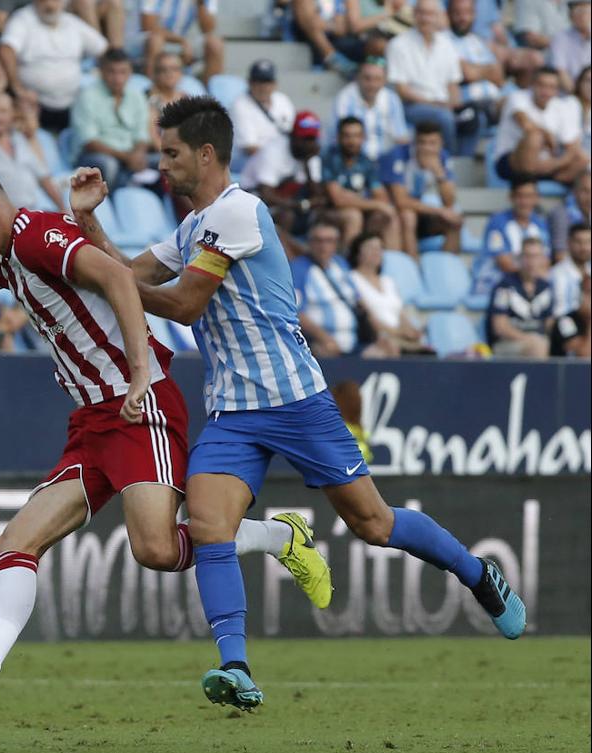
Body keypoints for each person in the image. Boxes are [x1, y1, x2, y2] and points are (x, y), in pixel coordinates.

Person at [69, 95, 525, 711]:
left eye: (171, 152)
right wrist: (90, 224)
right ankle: (235, 667)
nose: (162, 163)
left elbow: (180, 304)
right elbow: (127, 272)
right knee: (207, 527)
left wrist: (120, 276)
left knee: (373, 524)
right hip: (233, 409)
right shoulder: (191, 227)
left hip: (295, 400)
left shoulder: (239, 214)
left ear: (206, 154)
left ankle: (479, 575)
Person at [0, 162, 329, 710]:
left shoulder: (36, 235)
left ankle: (279, 537)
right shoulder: (6, 255)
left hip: (136, 408)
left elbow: (118, 277)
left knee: (155, 547)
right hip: (91, 423)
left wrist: (140, 373)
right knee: (12, 544)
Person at [290, 218, 400, 358]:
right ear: (309, 242)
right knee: (324, 350)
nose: (323, 246)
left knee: (389, 350)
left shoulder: (341, 265)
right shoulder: (298, 269)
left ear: (336, 243)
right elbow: (297, 312)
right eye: (318, 240)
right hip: (320, 342)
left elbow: (359, 302)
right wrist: (324, 338)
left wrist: (380, 335)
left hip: (353, 342)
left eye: (329, 241)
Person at [0, 0, 106, 133]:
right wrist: (17, 88)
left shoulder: (71, 22)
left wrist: (103, 75)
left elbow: (104, 50)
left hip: (72, 103)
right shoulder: (23, 19)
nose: (50, 5)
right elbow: (7, 49)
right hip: (34, 104)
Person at [386, 0, 470, 154]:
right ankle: (449, 161)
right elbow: (402, 90)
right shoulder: (398, 44)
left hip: (441, 104)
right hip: (412, 105)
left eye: (430, 14)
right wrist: (435, 104)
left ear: (438, 17)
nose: (426, 18)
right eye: (422, 13)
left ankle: (462, 160)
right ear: (414, 15)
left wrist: (454, 103)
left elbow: (453, 84)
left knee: (474, 116)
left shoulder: (447, 44)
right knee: (444, 118)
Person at [240, 111, 327, 256]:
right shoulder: (274, 151)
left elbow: (317, 196)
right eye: (304, 138)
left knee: (322, 214)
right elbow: (266, 195)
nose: (308, 143)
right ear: (293, 136)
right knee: (287, 215)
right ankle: (286, 256)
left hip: (287, 202)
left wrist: (306, 163)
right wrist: (299, 205)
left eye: (312, 139)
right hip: (252, 202)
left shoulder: (311, 156)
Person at [493, 67, 589, 186]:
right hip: (512, 162)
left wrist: (555, 164)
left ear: (557, 90)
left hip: (547, 164)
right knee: (534, 137)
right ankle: (528, 186)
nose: (546, 91)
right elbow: (526, 124)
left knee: (583, 159)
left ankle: (549, 184)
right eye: (541, 85)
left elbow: (572, 147)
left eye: (551, 87)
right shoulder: (517, 97)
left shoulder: (562, 106)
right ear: (532, 85)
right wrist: (547, 134)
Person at [71, 48, 151, 190]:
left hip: (130, 155)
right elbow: (90, 142)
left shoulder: (136, 96)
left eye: (123, 72)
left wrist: (138, 154)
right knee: (109, 165)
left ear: (130, 73)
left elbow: (141, 134)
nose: (118, 78)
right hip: (96, 156)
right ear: (101, 72)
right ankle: (111, 199)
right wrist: (127, 158)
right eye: (112, 72)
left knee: (166, 163)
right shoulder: (87, 96)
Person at [379, 121, 462, 257]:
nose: (427, 148)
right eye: (422, 143)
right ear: (414, 143)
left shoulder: (442, 157)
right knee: (408, 216)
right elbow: (400, 201)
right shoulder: (397, 155)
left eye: (432, 143)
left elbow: (449, 202)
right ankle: (413, 268)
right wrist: (439, 211)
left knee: (455, 220)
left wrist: (439, 173)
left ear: (441, 143)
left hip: (418, 210)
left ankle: (448, 268)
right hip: (392, 213)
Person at [322, 116, 399, 249]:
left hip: (358, 209)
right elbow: (337, 200)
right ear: (339, 137)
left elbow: (381, 196)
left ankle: (392, 264)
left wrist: (353, 198)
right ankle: (349, 263)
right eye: (347, 136)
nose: (352, 141)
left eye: (357, 136)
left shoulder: (366, 162)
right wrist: (372, 203)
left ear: (363, 138)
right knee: (353, 215)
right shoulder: (328, 159)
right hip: (325, 212)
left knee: (388, 214)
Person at [346, 231, 427, 353]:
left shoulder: (388, 281)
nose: (376, 252)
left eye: (380, 248)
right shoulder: (352, 279)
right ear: (358, 253)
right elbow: (367, 317)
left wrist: (411, 330)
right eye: (371, 248)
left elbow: (400, 313)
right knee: (390, 346)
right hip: (374, 338)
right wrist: (400, 333)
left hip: (398, 336)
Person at [472, 179, 550, 297]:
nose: (524, 202)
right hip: (498, 281)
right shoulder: (497, 222)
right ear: (511, 197)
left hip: (528, 280)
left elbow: (545, 260)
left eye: (529, 196)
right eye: (520, 196)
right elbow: (504, 263)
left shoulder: (540, 224)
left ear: (537, 198)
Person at [487, 237, 555, 359]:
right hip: (508, 344)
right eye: (527, 256)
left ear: (543, 260)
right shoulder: (504, 286)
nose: (531, 262)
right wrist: (529, 339)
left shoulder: (545, 288)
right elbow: (500, 327)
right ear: (519, 258)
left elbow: (549, 323)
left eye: (536, 256)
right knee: (538, 345)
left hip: (539, 341)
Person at [332, 57, 408, 162]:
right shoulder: (345, 98)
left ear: (384, 80)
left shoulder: (392, 99)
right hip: (355, 160)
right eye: (367, 78)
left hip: (385, 160)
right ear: (358, 78)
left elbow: (401, 137)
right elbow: (341, 137)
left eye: (377, 79)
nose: (372, 84)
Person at [140, 0, 223, 85]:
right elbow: (149, 26)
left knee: (215, 44)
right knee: (155, 41)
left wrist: (200, 4)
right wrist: (181, 41)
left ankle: (209, 93)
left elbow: (208, 29)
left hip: (185, 40)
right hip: (151, 38)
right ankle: (152, 90)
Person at [229, 59, 295, 160]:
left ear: (275, 84)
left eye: (267, 81)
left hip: (282, 159)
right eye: (258, 81)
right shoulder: (239, 105)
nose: (263, 87)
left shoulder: (283, 100)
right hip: (250, 163)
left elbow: (293, 134)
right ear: (249, 82)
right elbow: (250, 149)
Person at [550, 169, 591, 263]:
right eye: (585, 191)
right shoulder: (561, 215)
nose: (590, 197)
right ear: (574, 192)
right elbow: (560, 256)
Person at [552, 222, 592, 316]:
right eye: (579, 242)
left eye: (588, 241)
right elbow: (560, 313)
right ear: (568, 243)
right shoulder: (558, 274)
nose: (584, 247)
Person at [552, 0, 591, 92]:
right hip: (570, 96)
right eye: (578, 11)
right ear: (570, 16)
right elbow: (560, 71)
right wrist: (578, 96)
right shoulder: (560, 38)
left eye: (586, 11)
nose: (582, 16)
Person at [550, 272, 591, 357]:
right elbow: (584, 355)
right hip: (567, 369)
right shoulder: (566, 321)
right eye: (589, 292)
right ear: (580, 294)